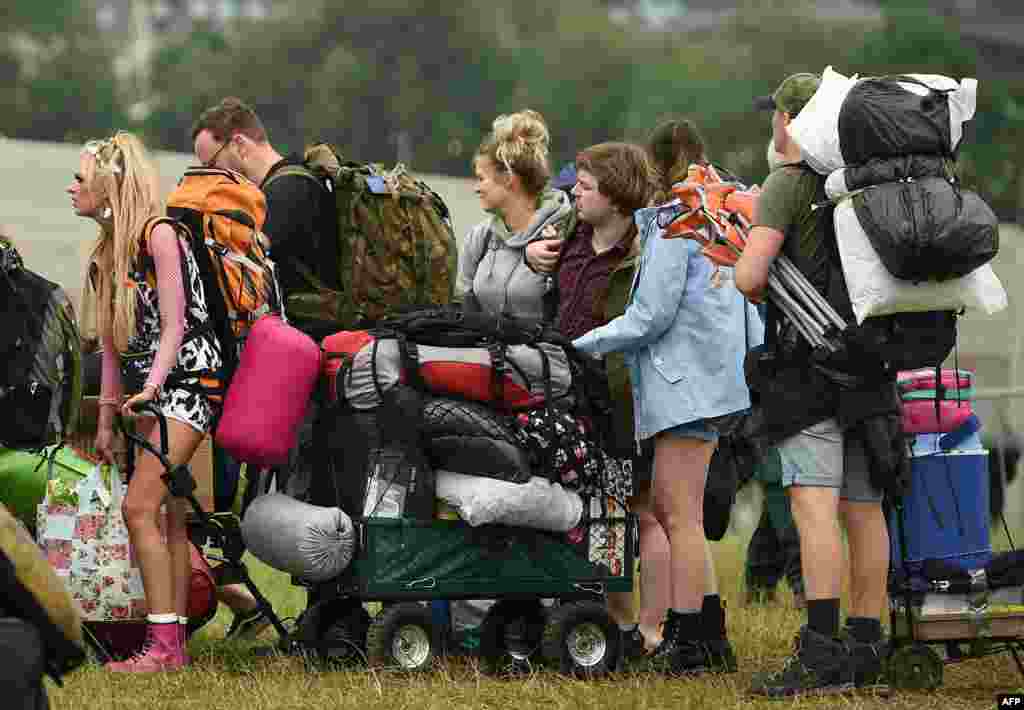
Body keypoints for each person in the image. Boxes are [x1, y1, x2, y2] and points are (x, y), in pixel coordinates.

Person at [571, 120, 762, 676]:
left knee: (678, 515)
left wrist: (581, 345)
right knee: (682, 514)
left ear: (655, 172)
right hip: (711, 383)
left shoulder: (676, 226)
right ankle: (703, 634)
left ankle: (692, 638)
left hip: (684, 387)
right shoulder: (717, 217)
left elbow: (650, 316)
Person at [735, 73, 891, 697]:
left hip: (812, 375)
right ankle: (866, 645)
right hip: (873, 367)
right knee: (864, 508)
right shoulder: (864, 185)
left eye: (775, 117)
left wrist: (751, 254)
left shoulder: (789, 183)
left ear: (792, 121)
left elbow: (751, 276)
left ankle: (822, 649)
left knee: (814, 506)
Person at [72, 132, 223, 672]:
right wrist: (108, 417)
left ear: (110, 183)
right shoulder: (106, 255)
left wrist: (155, 388)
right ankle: (174, 642)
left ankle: (161, 648)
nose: (73, 187)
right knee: (172, 518)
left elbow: (177, 325)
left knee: (140, 508)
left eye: (81, 176)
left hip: (189, 386)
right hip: (145, 392)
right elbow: (112, 345)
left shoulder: (160, 236)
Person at [526, 142, 660, 658]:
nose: (574, 194)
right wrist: (530, 255)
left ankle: (644, 626)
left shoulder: (646, 247)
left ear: (616, 194)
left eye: (585, 187)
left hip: (619, 400)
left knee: (630, 509)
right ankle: (608, 614)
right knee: (592, 508)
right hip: (567, 394)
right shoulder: (573, 234)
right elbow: (544, 274)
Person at [191, 97, 341, 341]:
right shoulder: (292, 180)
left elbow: (242, 261)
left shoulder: (286, 190)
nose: (213, 176)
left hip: (314, 342)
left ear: (239, 144)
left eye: (213, 165)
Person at [457, 109, 573, 321]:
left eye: (482, 178)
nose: (476, 188)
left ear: (509, 178)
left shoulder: (567, 234)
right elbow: (463, 303)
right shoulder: (480, 237)